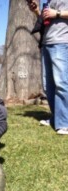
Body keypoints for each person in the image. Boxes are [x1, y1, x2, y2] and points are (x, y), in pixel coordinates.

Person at [27, 0, 68, 134]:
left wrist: (56, 13)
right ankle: (57, 118)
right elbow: (46, 21)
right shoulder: (49, 1)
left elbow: (55, 14)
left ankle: (64, 123)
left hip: (61, 43)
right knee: (47, 85)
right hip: (47, 43)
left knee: (61, 83)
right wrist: (37, 11)